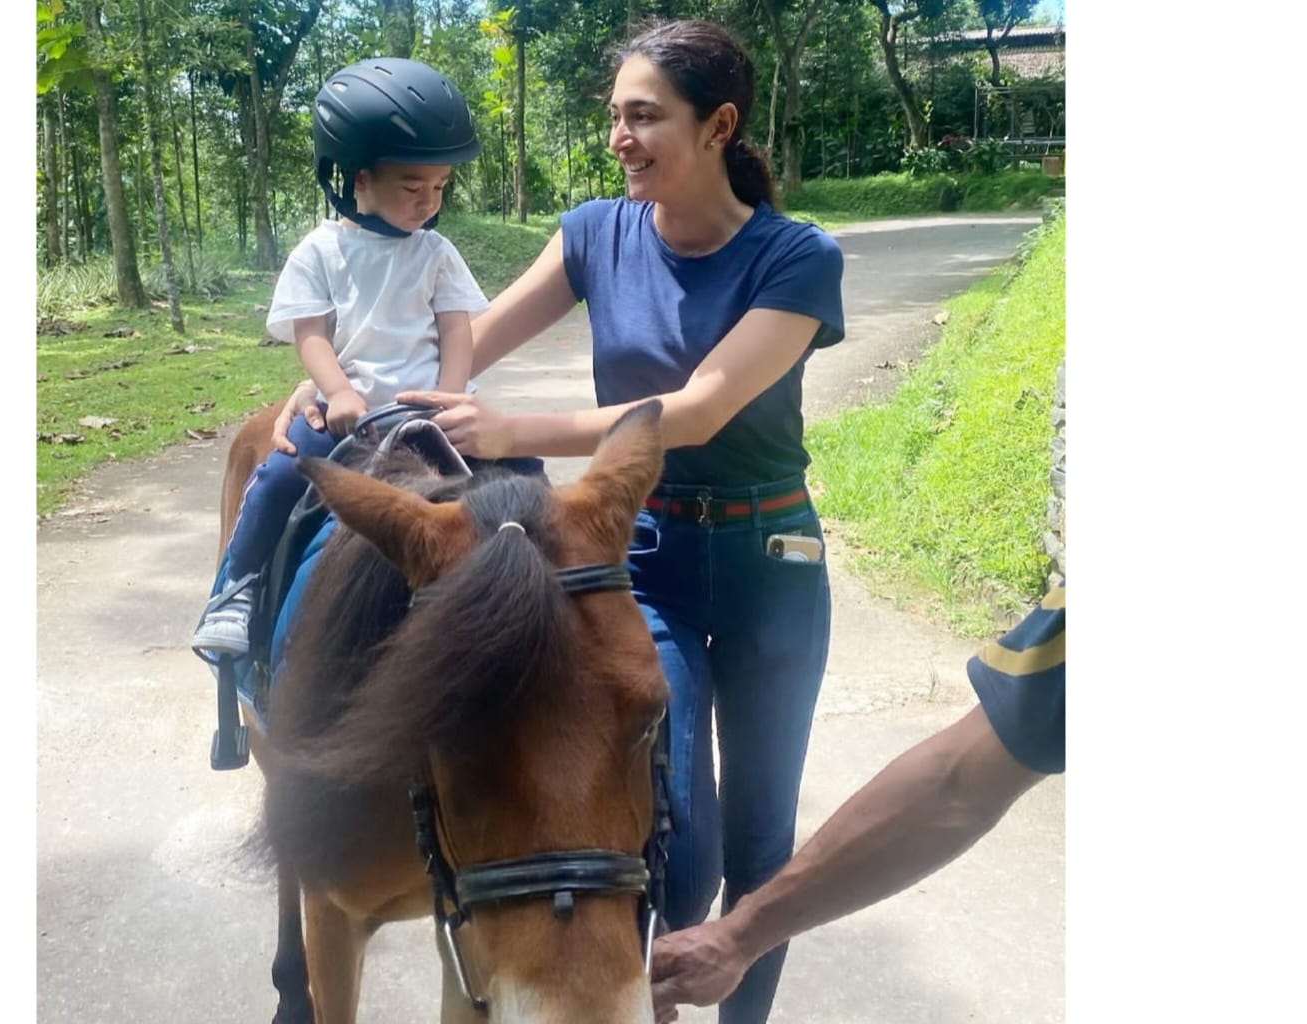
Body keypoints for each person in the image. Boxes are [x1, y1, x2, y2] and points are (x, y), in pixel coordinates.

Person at [288, 19, 844, 1023]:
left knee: (763, 846)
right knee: (674, 832)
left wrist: (523, 426)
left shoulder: (796, 257)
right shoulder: (596, 231)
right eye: (616, 117)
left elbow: (704, 405)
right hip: (641, 555)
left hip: (769, 560)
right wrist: (346, 393)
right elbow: (472, 341)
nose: (622, 137)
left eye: (645, 116)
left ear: (719, 126)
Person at [649, 583, 1066, 1020]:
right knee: (686, 864)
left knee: (758, 851)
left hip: (775, 562)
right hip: (663, 562)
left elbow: (957, 784)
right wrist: (739, 937)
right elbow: (957, 784)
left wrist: (740, 936)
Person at [190, 58, 490, 657]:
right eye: (412, 188)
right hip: (347, 412)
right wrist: (340, 391)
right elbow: (312, 335)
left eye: (438, 188)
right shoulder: (321, 250)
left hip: (429, 414)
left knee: (521, 477)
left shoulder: (436, 251)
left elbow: (456, 329)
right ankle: (236, 590)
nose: (427, 203)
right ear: (356, 180)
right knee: (278, 475)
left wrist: (452, 395)